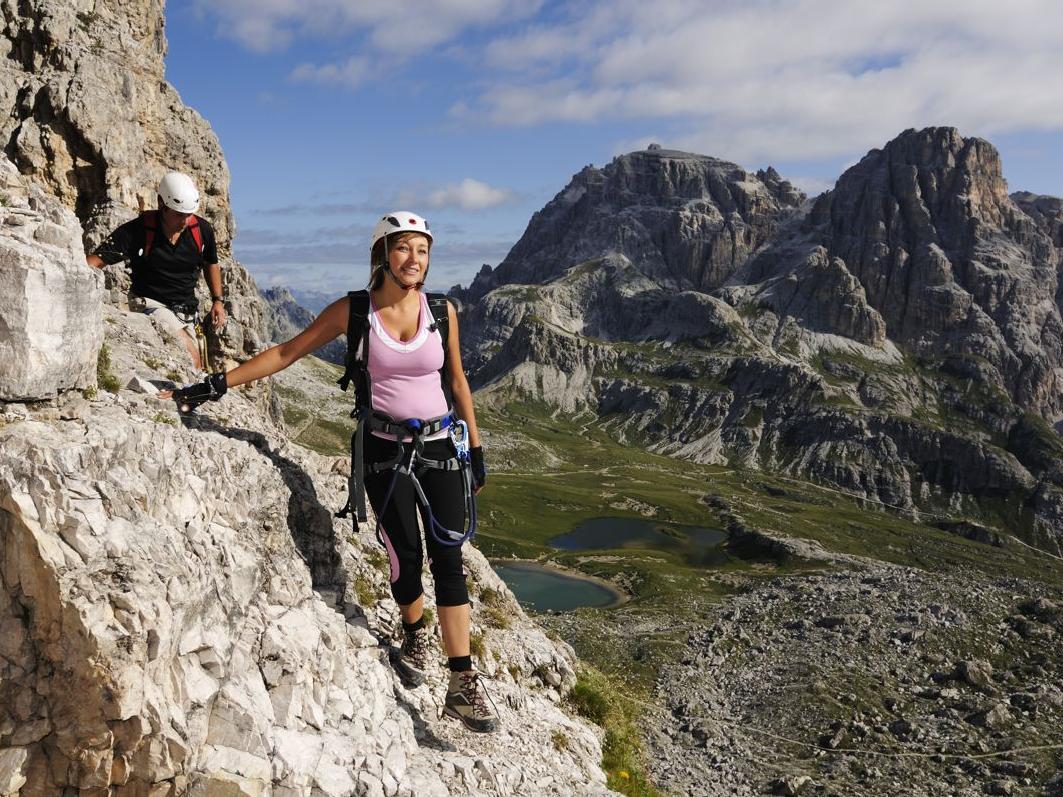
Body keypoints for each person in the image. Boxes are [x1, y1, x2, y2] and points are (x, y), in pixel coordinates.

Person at [162, 212, 497, 733]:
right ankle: (414, 629)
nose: (415, 260)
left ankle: (461, 681)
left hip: (440, 450)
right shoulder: (354, 311)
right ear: (383, 253)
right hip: (384, 453)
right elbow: (287, 352)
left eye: (423, 250)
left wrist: (475, 448)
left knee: (448, 559)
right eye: (404, 248)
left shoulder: (442, 311)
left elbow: (457, 380)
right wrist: (215, 385)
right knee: (406, 559)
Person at [87, 171, 227, 369]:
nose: (185, 221)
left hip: (186, 311)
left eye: (189, 214)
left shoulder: (201, 230)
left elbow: (211, 262)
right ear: (162, 204)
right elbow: (96, 260)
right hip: (150, 303)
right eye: (179, 214)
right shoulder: (137, 232)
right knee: (191, 358)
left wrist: (217, 301)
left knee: (199, 366)